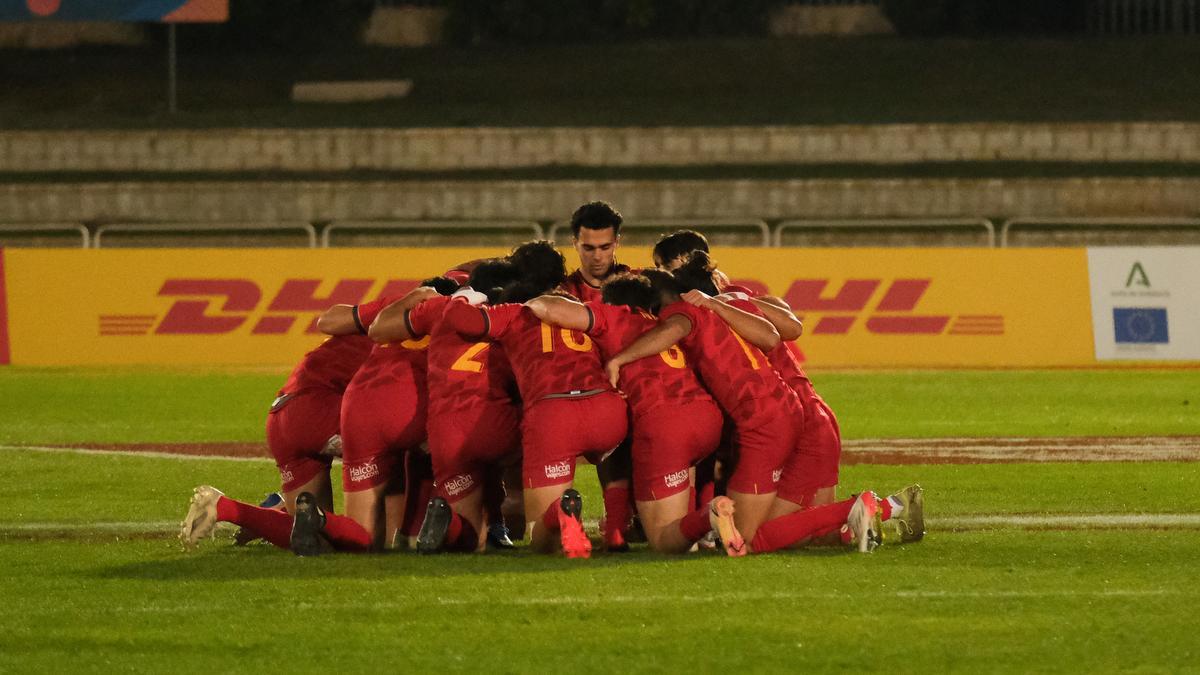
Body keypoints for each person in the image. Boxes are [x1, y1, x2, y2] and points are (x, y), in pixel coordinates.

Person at [525, 273, 740, 555]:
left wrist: (526, 302)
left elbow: (550, 309)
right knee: (677, 505)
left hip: (665, 422)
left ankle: (708, 516)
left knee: (664, 541)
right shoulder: (660, 325)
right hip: (705, 418)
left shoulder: (613, 315)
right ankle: (702, 531)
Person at [444, 241, 629, 558]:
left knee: (541, 541)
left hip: (553, 413)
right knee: (620, 450)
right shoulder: (582, 309)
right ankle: (617, 527)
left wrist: (469, 292)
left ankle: (559, 512)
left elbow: (464, 321)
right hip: (607, 413)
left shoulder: (514, 312)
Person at [370, 259, 524, 553]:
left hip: (443, 427)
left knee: (468, 537)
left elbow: (377, 329)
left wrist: (414, 298)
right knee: (546, 426)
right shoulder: (515, 315)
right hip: (495, 425)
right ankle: (511, 518)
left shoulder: (438, 306)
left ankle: (437, 523)